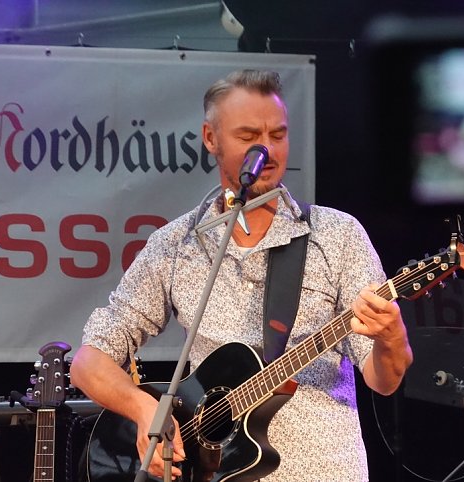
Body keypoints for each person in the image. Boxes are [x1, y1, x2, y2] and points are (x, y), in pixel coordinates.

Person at [69, 69, 413, 481]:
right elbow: (88, 361)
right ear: (210, 138)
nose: (266, 150)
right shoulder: (176, 244)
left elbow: (383, 379)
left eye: (278, 135)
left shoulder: (337, 235)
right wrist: (146, 409)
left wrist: (392, 339)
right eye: (249, 137)